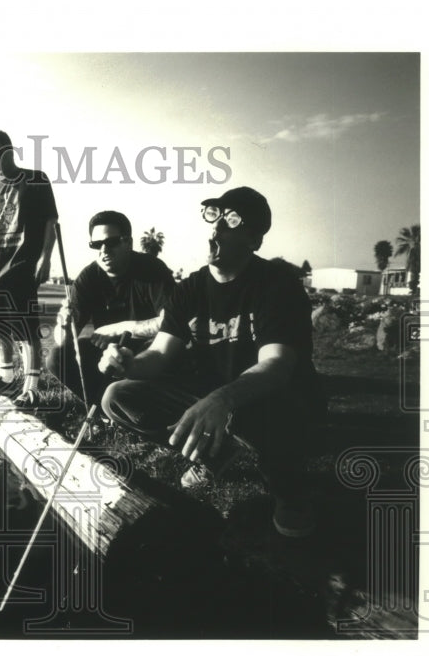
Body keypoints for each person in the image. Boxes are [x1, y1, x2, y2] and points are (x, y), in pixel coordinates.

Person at [99, 187, 324, 538]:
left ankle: (289, 491)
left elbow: (277, 366)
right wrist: (128, 363)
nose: (216, 228)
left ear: (254, 240)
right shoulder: (190, 289)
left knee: (279, 414)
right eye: (213, 216)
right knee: (117, 396)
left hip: (275, 398)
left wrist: (222, 399)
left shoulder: (278, 286)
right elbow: (159, 355)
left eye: (231, 221)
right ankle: (214, 455)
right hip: (214, 397)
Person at [0, 129, 58, 408]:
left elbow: (50, 223)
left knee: (25, 328)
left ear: (10, 151)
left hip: (20, 266)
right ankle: (5, 377)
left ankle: (31, 387)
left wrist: (45, 257)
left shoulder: (36, 180)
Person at [47, 210, 175, 404]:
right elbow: (63, 339)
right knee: (57, 356)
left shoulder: (152, 269)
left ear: (128, 243)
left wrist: (117, 328)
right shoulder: (88, 278)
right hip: (106, 354)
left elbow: (170, 322)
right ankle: (98, 407)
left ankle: (132, 403)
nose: (104, 250)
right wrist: (63, 325)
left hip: (149, 350)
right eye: (97, 244)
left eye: (111, 242)